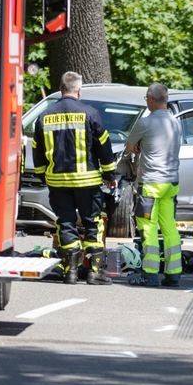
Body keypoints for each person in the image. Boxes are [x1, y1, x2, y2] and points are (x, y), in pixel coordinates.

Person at [32, 71, 118, 285]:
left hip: (57, 182)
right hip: (87, 182)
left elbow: (37, 150)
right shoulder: (90, 114)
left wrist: (42, 175)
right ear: (79, 90)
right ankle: (94, 272)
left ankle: (70, 271)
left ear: (61, 89)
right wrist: (109, 174)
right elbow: (104, 146)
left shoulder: (44, 116)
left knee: (66, 223)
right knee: (92, 223)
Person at [124, 83, 183, 287]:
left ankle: (150, 273)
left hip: (150, 184)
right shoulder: (176, 122)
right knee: (169, 227)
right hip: (171, 184)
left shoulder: (145, 123)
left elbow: (130, 147)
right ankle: (174, 272)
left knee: (148, 227)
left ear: (150, 99)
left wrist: (139, 148)